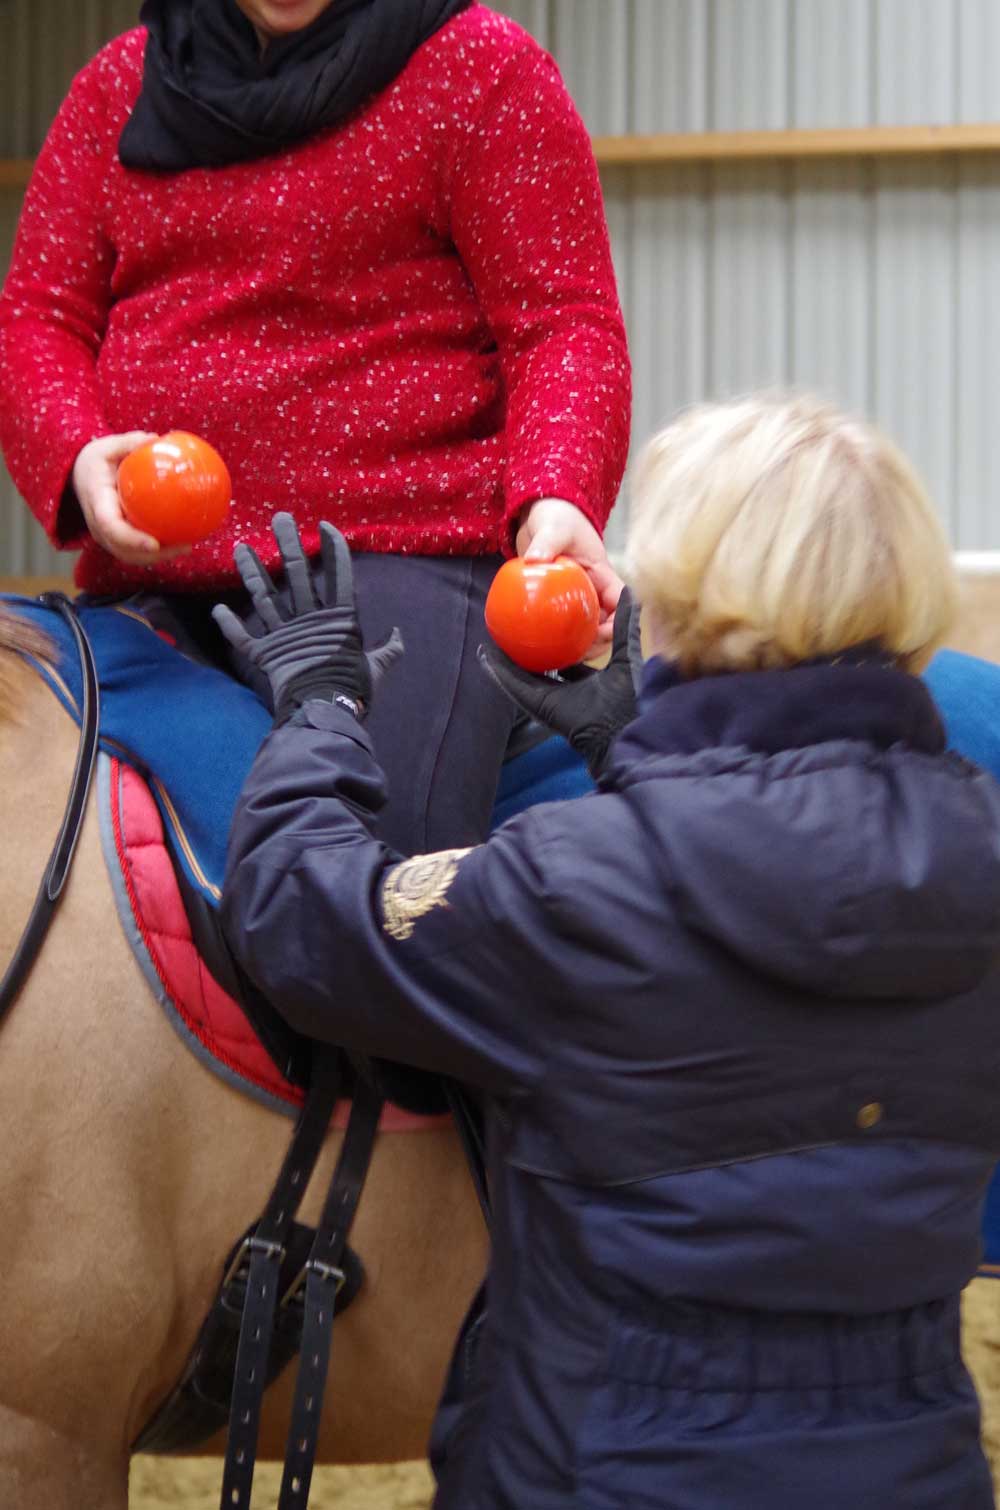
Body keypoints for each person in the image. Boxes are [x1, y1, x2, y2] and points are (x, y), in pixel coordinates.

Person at [216, 391, 1000, 1509]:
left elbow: (307, 918)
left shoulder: (571, 884)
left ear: (681, 601)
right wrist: (635, 751)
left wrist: (318, 712)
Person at [0, 0, 630, 855]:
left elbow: (564, 320)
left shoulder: (482, 69)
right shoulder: (116, 86)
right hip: (156, 576)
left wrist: (556, 493)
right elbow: (39, 315)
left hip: (401, 565)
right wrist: (75, 450)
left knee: (355, 883)